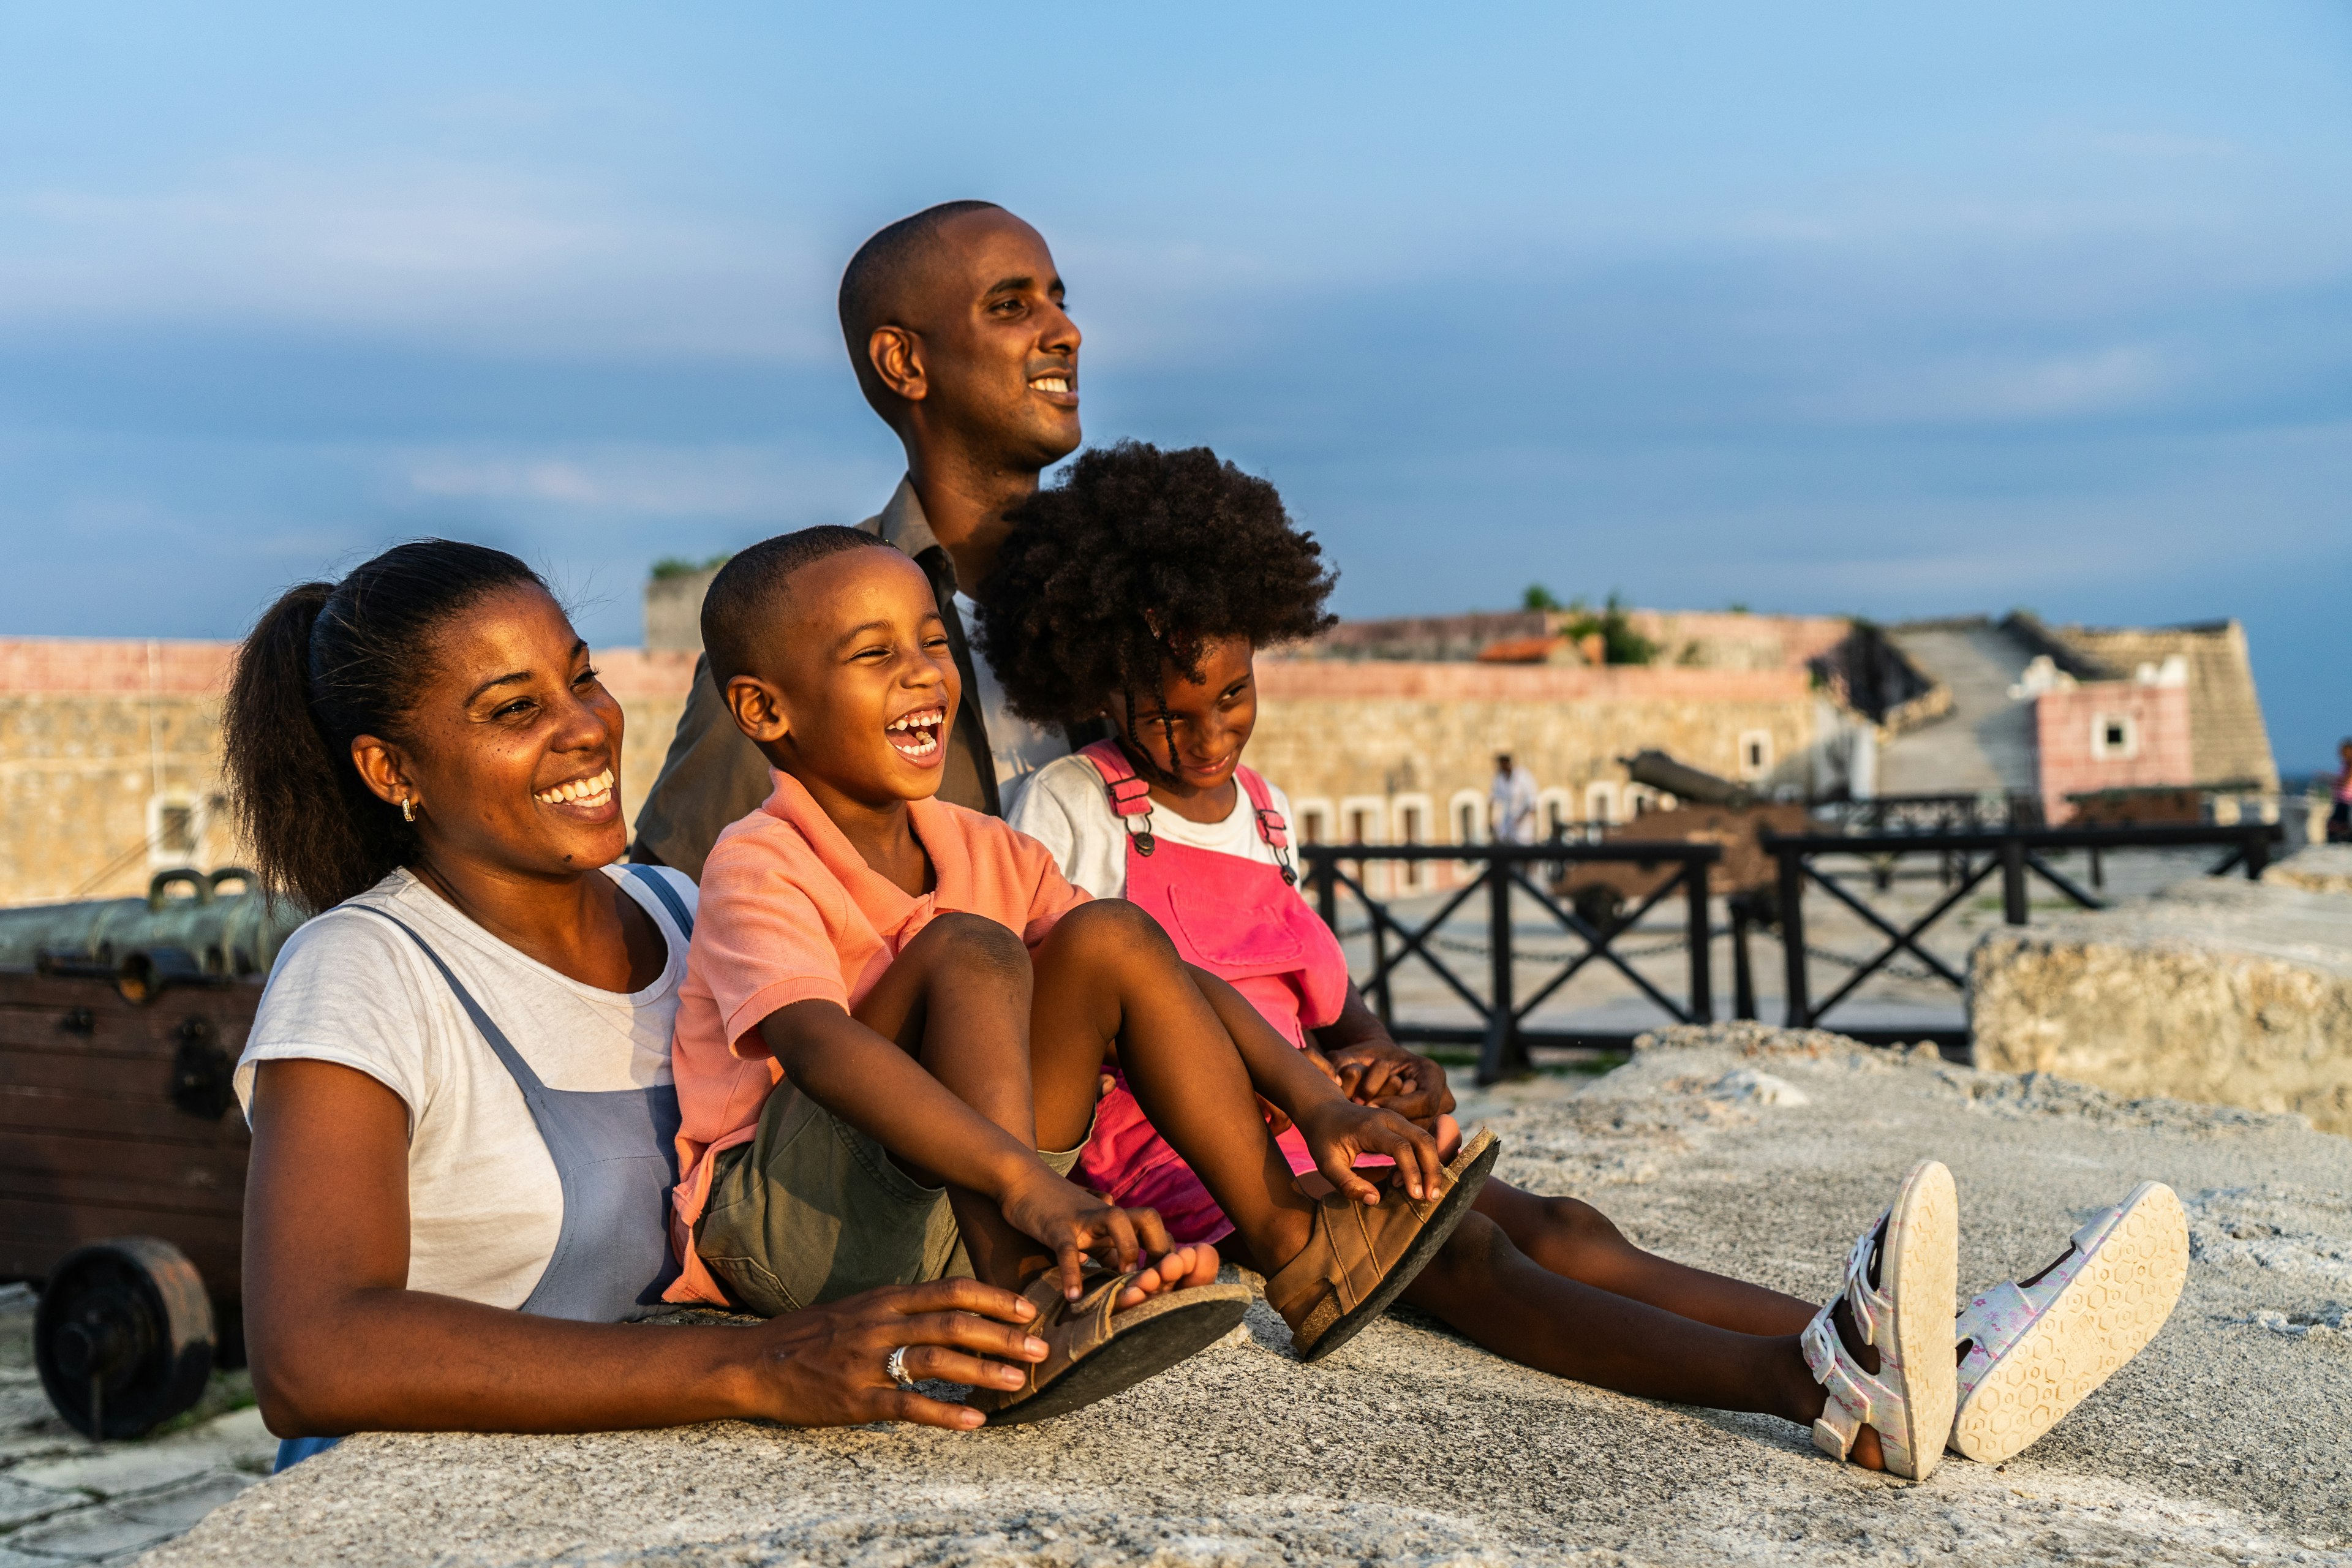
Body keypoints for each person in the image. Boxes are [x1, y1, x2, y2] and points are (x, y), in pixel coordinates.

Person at [984, 441, 2190, 1480]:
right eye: (1164, 712)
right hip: (1196, 1155)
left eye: (1230, 695)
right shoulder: (1077, 806)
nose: (1202, 734)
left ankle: (1929, 1349)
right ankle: (1816, 1386)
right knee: (1467, 1256)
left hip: (1318, 1121)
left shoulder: (1265, 812)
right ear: (1100, 685)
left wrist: (1394, 1072)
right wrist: (1304, 1098)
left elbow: (1340, 1020)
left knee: (1565, 1221)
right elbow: (1117, 994)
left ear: (1263, 649)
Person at [223, 541, 1070, 1471]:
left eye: (583, 678)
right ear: (391, 771)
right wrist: (754, 1365)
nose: (586, 726)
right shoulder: (365, 967)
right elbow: (311, 1357)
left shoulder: (687, 913)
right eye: (515, 709)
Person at [661, 526, 1497, 1422]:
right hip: (796, 1228)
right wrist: (1032, 1186)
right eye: (874, 653)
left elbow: (1161, 973)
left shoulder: (988, 846)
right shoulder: (760, 860)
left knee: (1109, 933)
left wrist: (1315, 1097)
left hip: (957, 1214)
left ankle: (1299, 1249)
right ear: (763, 711)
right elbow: (818, 1047)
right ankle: (1032, 1305)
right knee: (968, 948)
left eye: (935, 641)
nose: (922, 673)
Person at [631, 201, 1089, 880]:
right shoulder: (800, 622)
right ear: (902, 361)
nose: (1067, 332)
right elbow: (674, 900)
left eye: (1057, 299)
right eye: (1009, 306)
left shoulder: (1120, 606)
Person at [1490, 752, 1537, 845]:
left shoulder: (1524, 777)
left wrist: (1520, 819)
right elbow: (1493, 800)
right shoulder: (1499, 778)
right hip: (1506, 824)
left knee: (1524, 849)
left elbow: (1532, 801)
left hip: (1523, 824)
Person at [2329, 737, 2352, 843]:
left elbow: (2345, 781)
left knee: (2338, 826)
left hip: (2347, 800)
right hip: (2341, 800)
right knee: (2337, 826)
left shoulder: (2350, 765)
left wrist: (2329, 778)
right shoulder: (2345, 764)